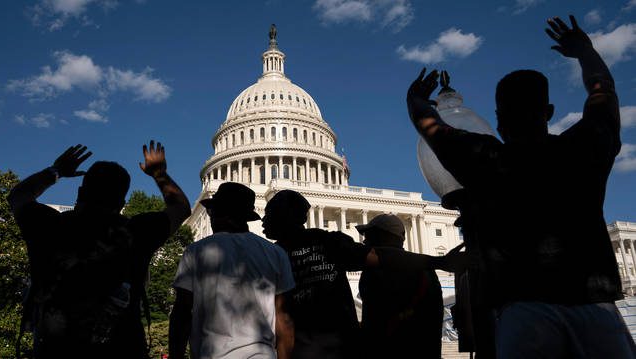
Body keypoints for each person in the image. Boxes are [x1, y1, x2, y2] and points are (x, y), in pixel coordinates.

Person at [406, 15, 635, 357]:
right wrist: (584, 51)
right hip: (593, 304)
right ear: (549, 111)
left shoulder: (485, 159)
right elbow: (604, 90)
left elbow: (429, 126)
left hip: (525, 309)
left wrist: (418, 100)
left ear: (497, 119)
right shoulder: (585, 148)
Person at [8, 141, 191, 359]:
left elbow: (18, 196)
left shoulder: (50, 227)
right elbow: (180, 208)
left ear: (81, 191)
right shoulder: (137, 232)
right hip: (124, 349)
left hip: (56, 350)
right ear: (122, 201)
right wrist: (159, 174)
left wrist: (56, 171)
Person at [169, 182, 295, 359]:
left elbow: (182, 313)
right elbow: (284, 320)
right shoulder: (275, 253)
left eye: (212, 212)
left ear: (220, 213)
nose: (210, 217)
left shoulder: (196, 252)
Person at [262, 190, 369, 359]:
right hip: (343, 347)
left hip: (307, 350)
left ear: (284, 216)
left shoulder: (272, 256)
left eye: (268, 213)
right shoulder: (330, 241)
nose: (263, 220)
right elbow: (373, 258)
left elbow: (283, 320)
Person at [356, 214, 443, 359]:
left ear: (384, 237)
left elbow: (375, 321)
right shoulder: (426, 270)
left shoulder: (376, 272)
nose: (365, 241)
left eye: (370, 235)